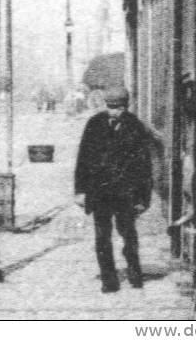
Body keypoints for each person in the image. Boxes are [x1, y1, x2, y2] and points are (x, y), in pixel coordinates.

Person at [74, 87, 152, 293]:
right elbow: (83, 159)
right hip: (99, 192)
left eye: (117, 109)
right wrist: (80, 190)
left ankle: (135, 273)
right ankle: (108, 279)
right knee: (102, 237)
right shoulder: (94, 124)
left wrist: (143, 198)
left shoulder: (135, 127)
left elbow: (144, 166)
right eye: (109, 107)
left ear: (126, 107)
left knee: (128, 234)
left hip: (126, 193)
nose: (112, 112)